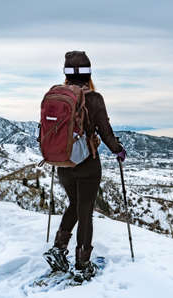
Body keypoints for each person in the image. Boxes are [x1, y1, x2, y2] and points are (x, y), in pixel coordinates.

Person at [43, 51, 126, 279]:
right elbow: (105, 132)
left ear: (66, 74)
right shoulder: (95, 99)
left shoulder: (56, 96)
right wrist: (118, 150)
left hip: (63, 162)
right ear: (89, 72)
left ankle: (59, 249)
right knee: (85, 211)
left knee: (74, 204)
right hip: (87, 164)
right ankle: (82, 263)